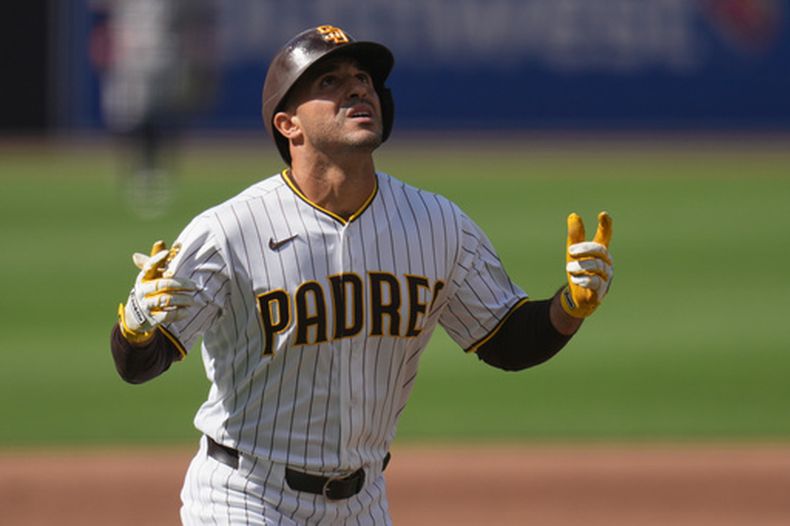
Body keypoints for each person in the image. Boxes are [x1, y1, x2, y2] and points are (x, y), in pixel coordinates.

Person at [110, 24, 614, 525]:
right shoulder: (229, 231)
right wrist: (136, 324)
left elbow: (506, 341)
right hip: (244, 495)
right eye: (329, 81)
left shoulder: (437, 223)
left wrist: (569, 306)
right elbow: (140, 363)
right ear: (288, 124)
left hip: (363, 502)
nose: (356, 89)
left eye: (363, 79)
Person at [90, 0, 218, 218]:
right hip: (130, 60)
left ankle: (158, 172)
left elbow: (197, 18)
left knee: (163, 118)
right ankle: (136, 171)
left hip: (163, 58)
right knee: (128, 119)